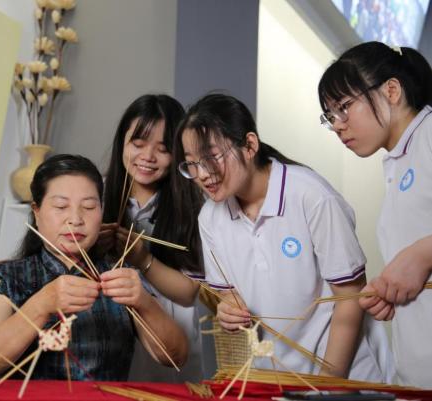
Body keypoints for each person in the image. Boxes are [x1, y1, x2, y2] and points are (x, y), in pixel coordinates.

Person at [174, 93, 393, 381]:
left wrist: (328, 385)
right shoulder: (210, 218)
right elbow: (228, 293)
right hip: (275, 380)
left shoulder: (311, 196)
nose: (202, 174)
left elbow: (350, 299)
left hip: (345, 377)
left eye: (212, 158)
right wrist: (228, 309)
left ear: (249, 145)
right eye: (191, 163)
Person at [0, 154, 188, 380]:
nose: (75, 219)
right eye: (61, 206)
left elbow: (176, 358)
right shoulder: (8, 276)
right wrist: (41, 305)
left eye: (89, 206)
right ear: (36, 211)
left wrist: (144, 302)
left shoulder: (119, 274)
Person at [318, 41, 432, 388]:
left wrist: (423, 254)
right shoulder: (399, 161)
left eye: (344, 108)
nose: (338, 126)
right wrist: (392, 288)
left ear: (391, 91)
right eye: (330, 117)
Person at [101, 94, 204, 382]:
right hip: (110, 342)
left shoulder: (194, 207)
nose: (148, 156)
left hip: (174, 343)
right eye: (138, 144)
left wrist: (141, 257)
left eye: (163, 149)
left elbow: (189, 293)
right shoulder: (95, 196)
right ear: (122, 142)